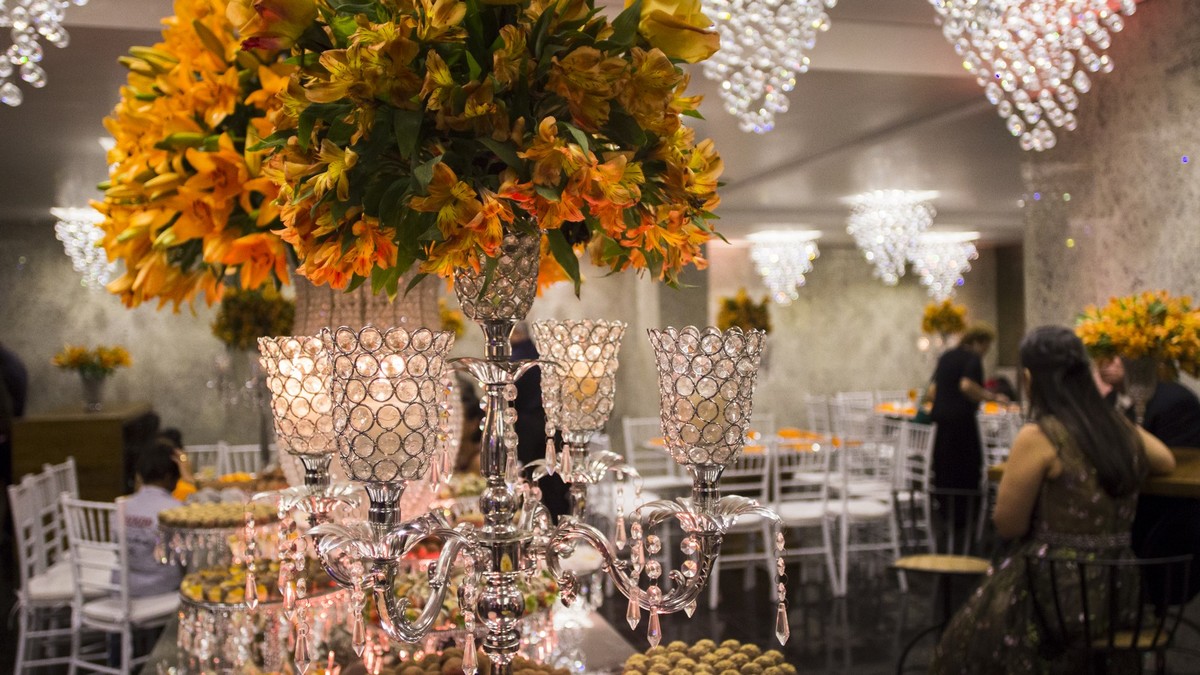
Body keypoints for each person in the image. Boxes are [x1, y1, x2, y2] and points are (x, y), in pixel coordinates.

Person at [930, 326, 1175, 674]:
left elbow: (1008, 524)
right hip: (1120, 590)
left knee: (964, 644)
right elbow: (1165, 460)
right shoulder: (1118, 426)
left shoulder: (1040, 435)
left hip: (1059, 591)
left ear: (1029, 379)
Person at [114, 441, 187, 663]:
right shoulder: (174, 509)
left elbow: (118, 551)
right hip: (159, 587)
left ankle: (120, 657)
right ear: (168, 476)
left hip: (121, 585)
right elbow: (184, 557)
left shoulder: (121, 506)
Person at [928, 322, 1004, 496]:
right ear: (977, 342)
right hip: (961, 421)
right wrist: (992, 397)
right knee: (965, 468)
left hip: (940, 419)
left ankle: (944, 506)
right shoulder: (972, 358)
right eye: (986, 346)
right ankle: (965, 509)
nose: (986, 351)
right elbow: (966, 385)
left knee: (944, 467)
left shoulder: (946, 356)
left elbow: (932, 391)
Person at [510, 323, 568, 519]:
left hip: (528, 426)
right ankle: (559, 519)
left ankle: (535, 519)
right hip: (550, 424)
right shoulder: (538, 353)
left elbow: (510, 395)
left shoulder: (517, 358)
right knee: (554, 477)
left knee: (532, 476)